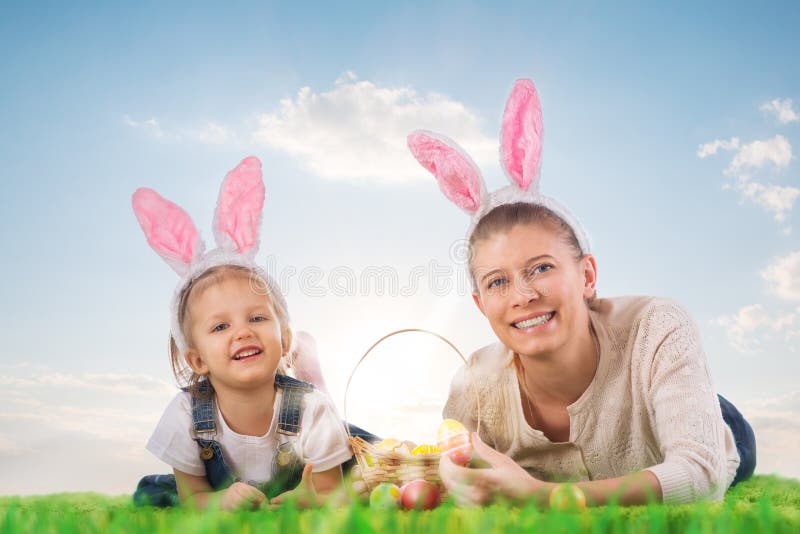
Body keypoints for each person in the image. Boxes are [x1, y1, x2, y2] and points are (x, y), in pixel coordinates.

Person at [407, 79, 756, 507]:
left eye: (541, 268)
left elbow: (700, 474)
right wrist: (450, 476)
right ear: (480, 304)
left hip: (696, 415)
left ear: (587, 276)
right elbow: (450, 463)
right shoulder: (474, 385)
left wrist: (546, 495)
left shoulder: (658, 327)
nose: (523, 294)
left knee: (725, 437)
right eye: (497, 281)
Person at [131, 157, 353, 510]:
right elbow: (194, 499)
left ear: (283, 341)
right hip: (220, 489)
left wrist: (310, 498)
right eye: (221, 326)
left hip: (311, 458)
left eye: (257, 318)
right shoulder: (186, 415)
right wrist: (218, 503)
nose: (243, 332)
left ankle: (310, 368)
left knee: (358, 461)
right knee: (151, 494)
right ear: (198, 359)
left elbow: (332, 492)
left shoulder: (311, 409)